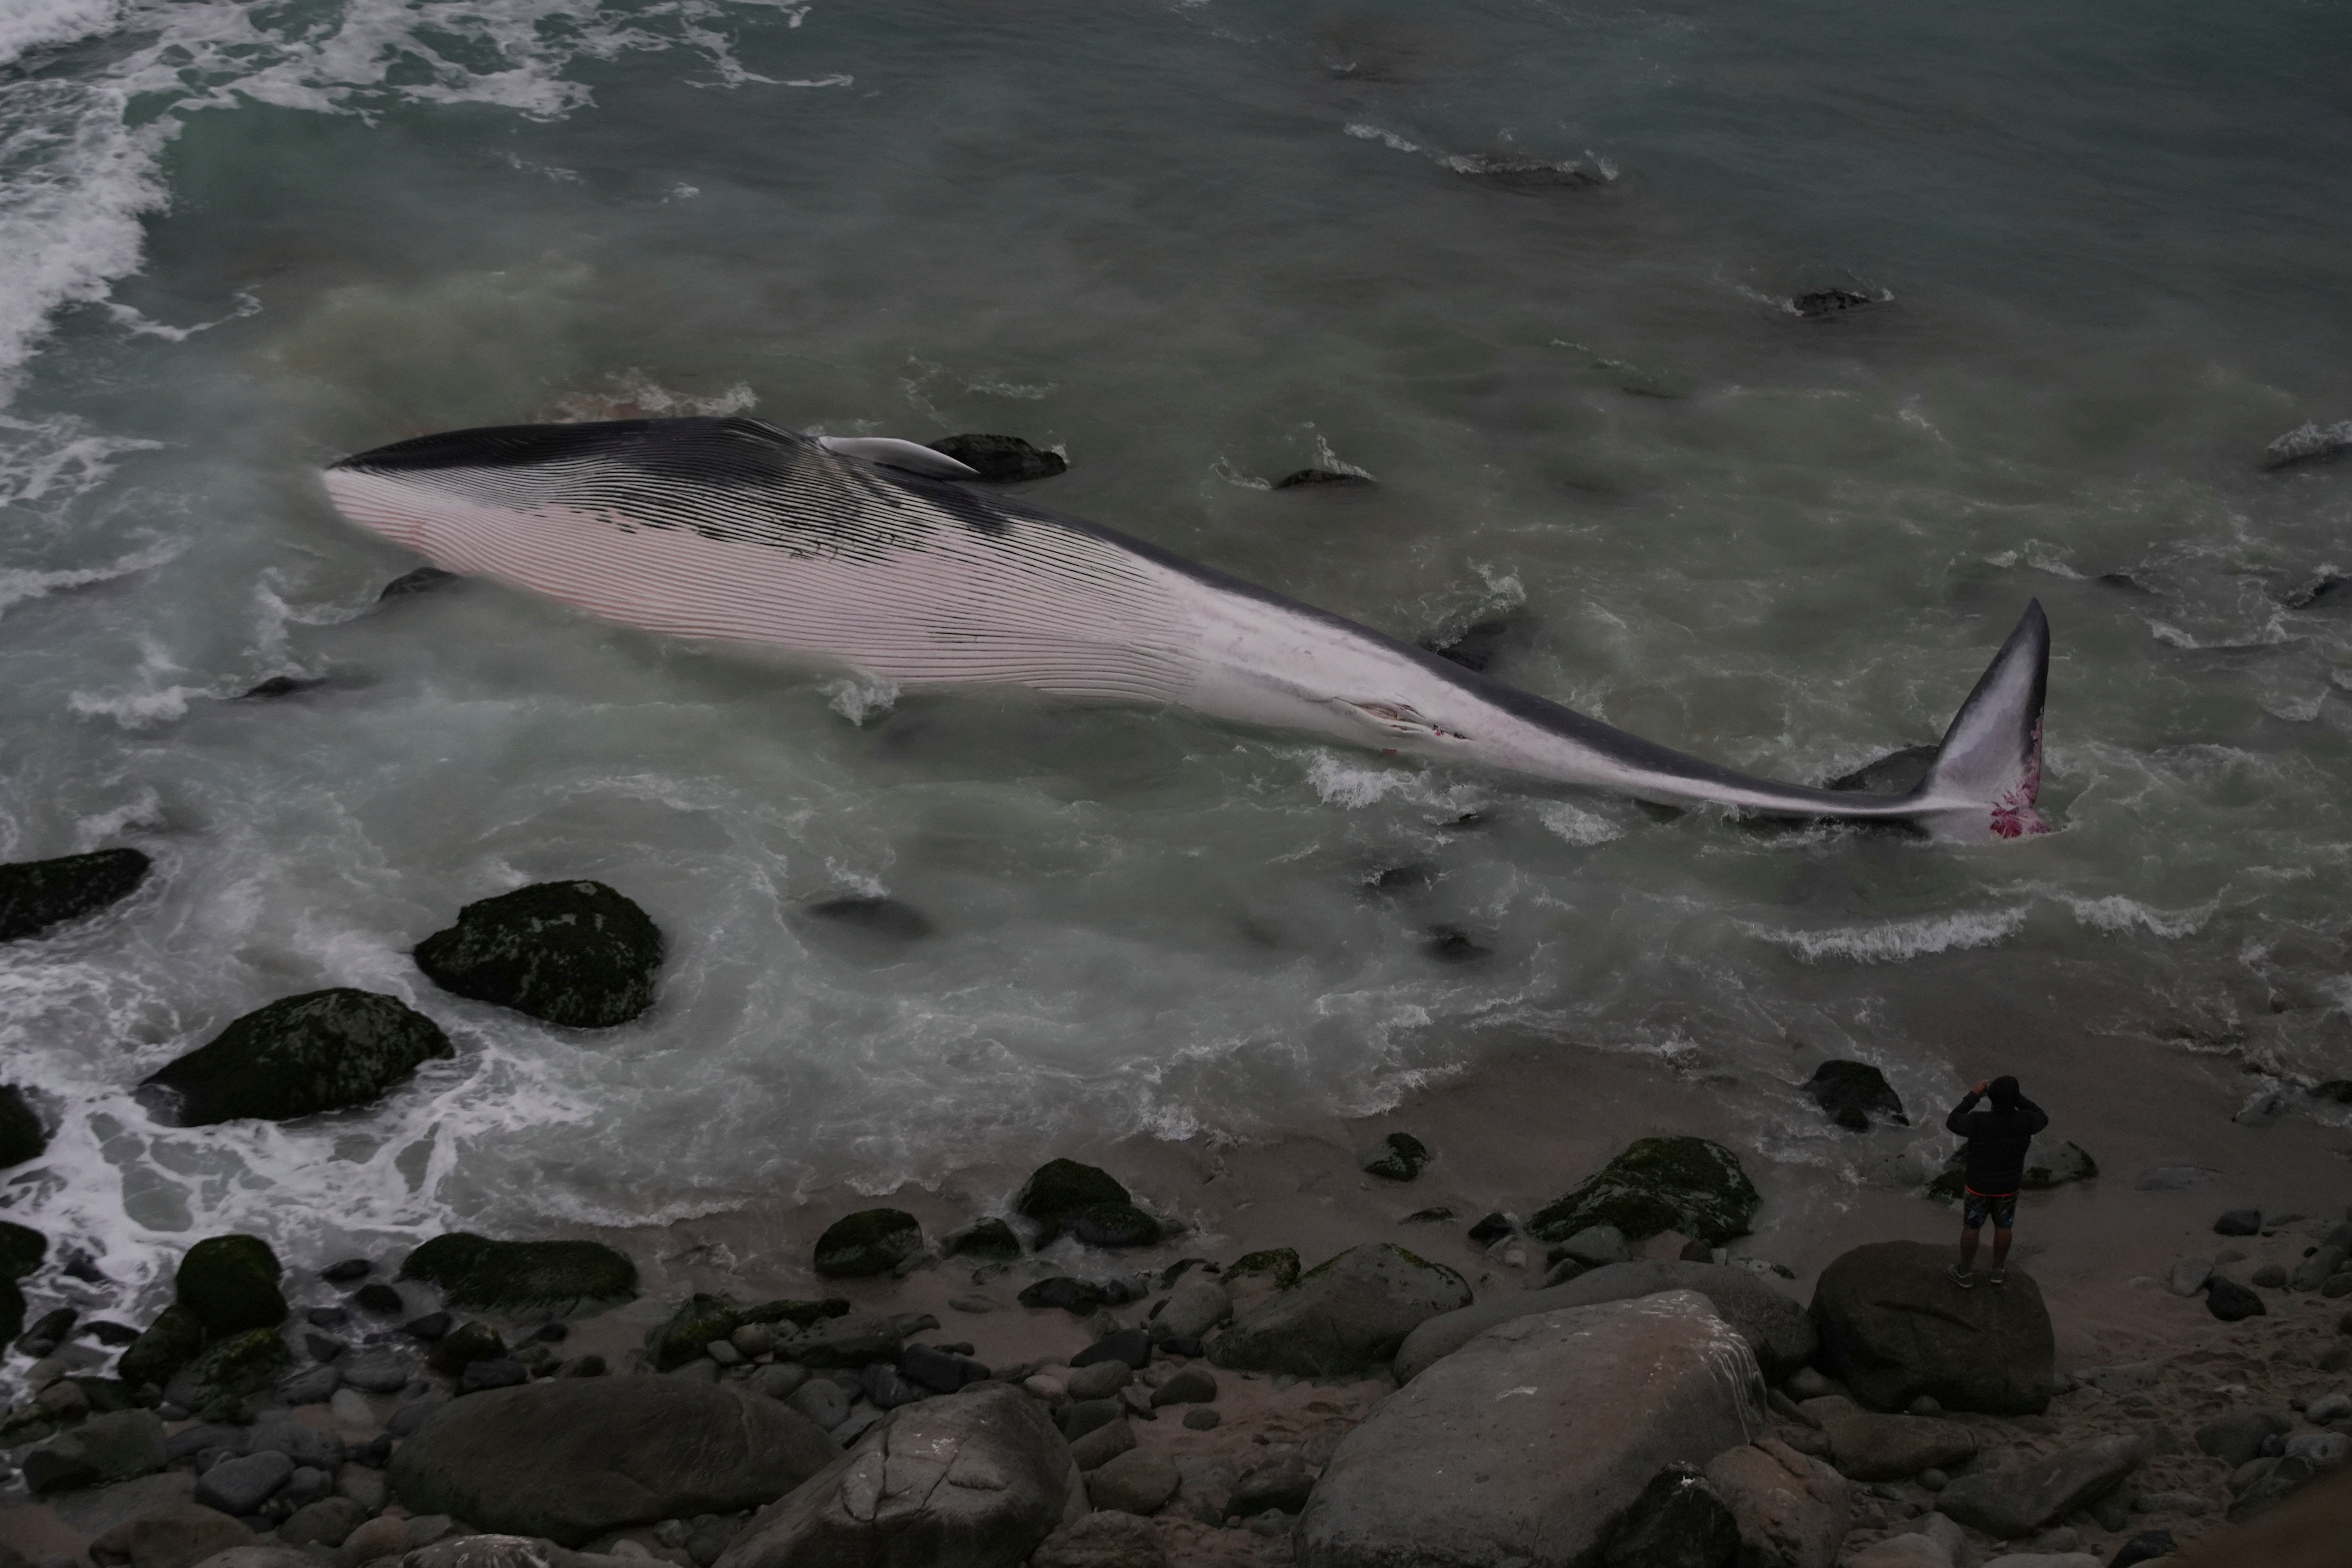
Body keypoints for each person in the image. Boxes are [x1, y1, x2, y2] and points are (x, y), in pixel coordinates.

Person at [1944, 1074, 2049, 1288]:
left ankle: (1964, 1273)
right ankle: (1998, 1271)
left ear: (1991, 1098)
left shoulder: (1979, 1121)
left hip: (1979, 1185)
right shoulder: (2026, 1121)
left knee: (1972, 1227)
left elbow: (1953, 1121)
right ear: (2016, 1098)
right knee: (2004, 1226)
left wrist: (1974, 1095)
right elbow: (2042, 1116)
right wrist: (2017, 1099)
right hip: (2008, 1187)